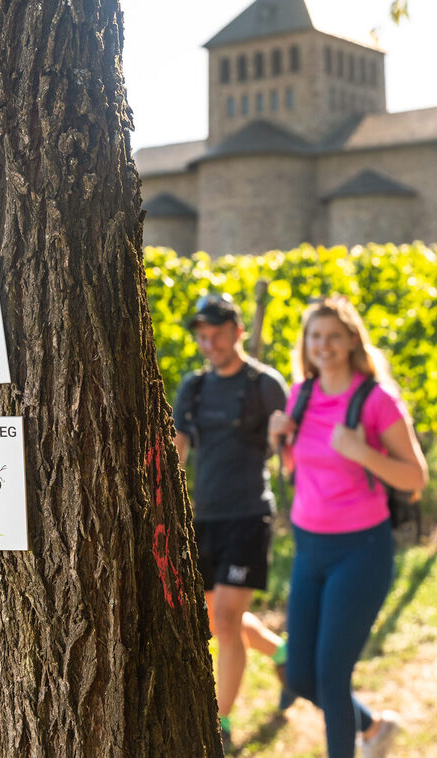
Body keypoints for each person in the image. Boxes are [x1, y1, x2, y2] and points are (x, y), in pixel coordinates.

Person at [267, 295, 428, 758]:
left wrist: (363, 453)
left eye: (334, 336)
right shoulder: (300, 396)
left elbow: (415, 478)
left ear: (353, 340)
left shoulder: (376, 399)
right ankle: (375, 728)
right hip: (309, 548)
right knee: (301, 676)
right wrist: (279, 440)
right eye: (315, 336)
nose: (324, 345)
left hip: (360, 551)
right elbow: (298, 467)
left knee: (332, 676)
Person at [172, 293, 289, 754]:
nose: (209, 344)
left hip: (248, 515)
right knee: (217, 618)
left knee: (224, 617)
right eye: (202, 337)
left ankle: (219, 721)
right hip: (204, 518)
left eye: (217, 334)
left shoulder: (265, 384)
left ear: (238, 331)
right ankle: (282, 652)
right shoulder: (194, 387)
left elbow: (287, 445)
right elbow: (179, 446)